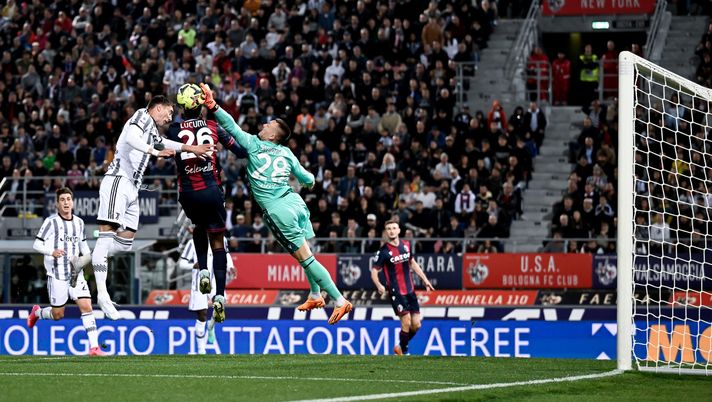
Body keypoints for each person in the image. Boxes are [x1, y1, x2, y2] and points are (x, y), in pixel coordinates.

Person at [198, 84, 353, 324]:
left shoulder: (253, 144)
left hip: (278, 210)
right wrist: (310, 183)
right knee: (306, 252)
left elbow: (230, 125)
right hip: (295, 203)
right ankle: (315, 294)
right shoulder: (287, 153)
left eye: (268, 125)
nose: (263, 125)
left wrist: (213, 105)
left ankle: (339, 300)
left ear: (272, 135)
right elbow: (308, 179)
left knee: (306, 259)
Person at [88, 96, 214, 320]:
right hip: (118, 179)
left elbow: (163, 143)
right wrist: (154, 153)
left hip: (132, 188)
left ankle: (82, 260)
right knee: (105, 239)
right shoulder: (141, 116)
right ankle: (103, 297)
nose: (170, 117)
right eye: (168, 112)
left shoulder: (152, 128)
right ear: (157, 108)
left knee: (125, 243)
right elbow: (132, 138)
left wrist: (191, 148)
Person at [167, 91, 247, 323]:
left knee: (198, 225)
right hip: (212, 191)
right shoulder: (213, 127)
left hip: (188, 193)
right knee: (218, 243)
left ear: (182, 109)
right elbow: (240, 151)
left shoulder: (174, 130)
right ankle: (219, 296)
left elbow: (159, 145)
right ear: (201, 106)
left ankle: (203, 269)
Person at [27, 188, 104, 356]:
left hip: (76, 274)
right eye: (62, 199)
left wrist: (89, 256)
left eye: (69, 199)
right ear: (57, 203)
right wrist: (51, 251)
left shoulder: (79, 223)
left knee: (86, 305)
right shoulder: (51, 222)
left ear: (73, 202)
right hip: (57, 275)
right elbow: (36, 245)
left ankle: (94, 348)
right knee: (58, 315)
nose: (66, 202)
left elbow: (83, 246)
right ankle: (38, 313)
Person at [371, 220, 434, 355]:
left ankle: (400, 346)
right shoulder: (383, 252)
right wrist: (379, 285)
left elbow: (412, 263)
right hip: (396, 292)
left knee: (416, 324)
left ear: (399, 230)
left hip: (410, 290)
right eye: (388, 229)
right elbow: (374, 271)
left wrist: (425, 280)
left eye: (394, 228)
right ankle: (403, 352)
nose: (391, 231)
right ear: (386, 232)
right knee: (406, 321)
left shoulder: (406, 245)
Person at [178, 232, 236, 354]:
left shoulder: (221, 239)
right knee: (202, 314)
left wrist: (231, 266)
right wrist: (193, 266)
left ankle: (211, 325)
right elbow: (181, 264)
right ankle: (201, 350)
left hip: (215, 280)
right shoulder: (192, 242)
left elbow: (226, 254)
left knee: (219, 307)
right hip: (199, 283)